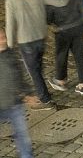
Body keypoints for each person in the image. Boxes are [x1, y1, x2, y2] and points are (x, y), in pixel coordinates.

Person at [6, 0, 73, 108]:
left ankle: (44, 98)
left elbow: (10, 24)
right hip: (40, 37)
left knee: (33, 71)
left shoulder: (11, 0)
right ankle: (42, 90)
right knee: (37, 66)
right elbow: (60, 3)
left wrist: (10, 45)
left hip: (26, 40)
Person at [46, 0, 83, 95]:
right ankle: (82, 84)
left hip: (62, 32)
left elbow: (48, 18)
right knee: (80, 56)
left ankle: (60, 80)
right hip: (77, 29)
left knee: (61, 55)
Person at [0, 28, 36, 157]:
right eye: (0, 38)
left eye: (4, 36)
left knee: (22, 135)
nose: (3, 40)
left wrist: (28, 93)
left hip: (14, 104)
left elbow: (19, 76)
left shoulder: (10, 54)